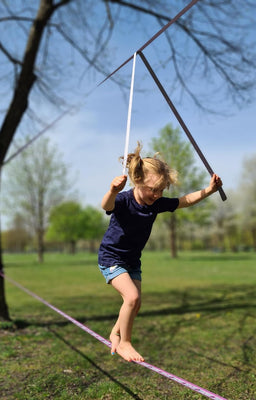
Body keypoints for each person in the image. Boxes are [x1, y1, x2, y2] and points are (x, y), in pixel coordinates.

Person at [98, 142, 222, 362]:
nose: (155, 195)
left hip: (132, 261)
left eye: (160, 190)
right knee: (132, 297)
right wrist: (112, 190)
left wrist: (208, 190)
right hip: (111, 258)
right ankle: (125, 343)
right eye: (151, 189)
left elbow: (183, 201)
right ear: (137, 180)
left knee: (136, 305)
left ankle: (116, 333)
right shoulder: (124, 200)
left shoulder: (155, 204)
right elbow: (106, 206)